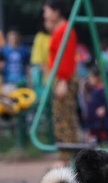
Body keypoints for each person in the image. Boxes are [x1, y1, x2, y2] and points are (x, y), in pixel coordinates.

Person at [43, 0, 80, 168]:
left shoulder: (65, 30)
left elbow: (65, 57)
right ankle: (68, 157)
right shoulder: (60, 29)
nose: (45, 15)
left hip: (63, 77)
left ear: (56, 12)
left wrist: (63, 80)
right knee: (63, 115)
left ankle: (65, 158)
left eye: (48, 11)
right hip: (59, 77)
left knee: (63, 117)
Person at [83, 66, 108, 144]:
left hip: (101, 124)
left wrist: (104, 108)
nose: (89, 79)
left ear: (98, 78)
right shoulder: (94, 90)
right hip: (94, 123)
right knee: (94, 142)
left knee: (103, 140)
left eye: (91, 77)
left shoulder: (103, 90)